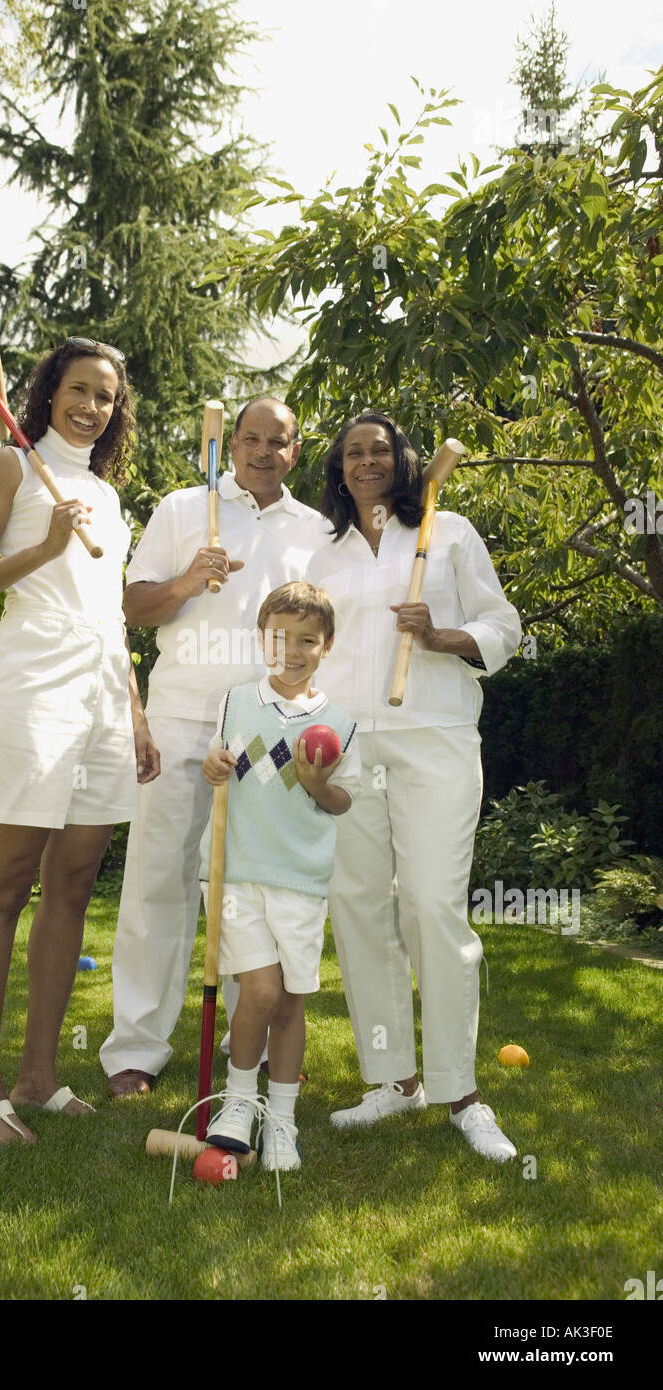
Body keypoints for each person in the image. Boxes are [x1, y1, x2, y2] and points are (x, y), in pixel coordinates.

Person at [0, 338, 160, 1145]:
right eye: (79, 390)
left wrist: (134, 715)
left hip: (103, 695)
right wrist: (40, 549)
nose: (92, 407)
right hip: (31, 688)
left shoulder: (105, 494)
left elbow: (110, 615)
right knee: (4, 884)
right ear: (48, 392)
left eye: (106, 396)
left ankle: (39, 1076)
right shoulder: (9, 465)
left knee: (72, 884)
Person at [307, 410, 523, 1161]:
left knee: (430, 904)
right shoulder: (319, 549)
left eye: (380, 450)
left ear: (404, 463)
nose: (366, 461)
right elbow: (293, 644)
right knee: (360, 907)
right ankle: (393, 1080)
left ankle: (460, 1090)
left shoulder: (450, 531)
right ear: (339, 469)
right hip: (345, 744)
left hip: (433, 739)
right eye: (352, 453)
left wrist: (442, 637)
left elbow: (505, 625)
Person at [99, 397, 331, 1097]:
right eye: (251, 439)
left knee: (251, 887)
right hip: (181, 715)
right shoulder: (180, 508)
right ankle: (135, 1049)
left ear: (296, 450)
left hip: (269, 725)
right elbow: (132, 607)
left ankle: (248, 1048)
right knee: (158, 879)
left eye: (278, 442)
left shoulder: (316, 531)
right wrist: (186, 582)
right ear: (231, 444)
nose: (263, 452)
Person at [199, 582, 360, 1170]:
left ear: (328, 646)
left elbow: (343, 802)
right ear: (261, 640)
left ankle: (282, 1120)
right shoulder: (235, 702)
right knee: (261, 991)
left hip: (302, 880)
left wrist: (318, 784)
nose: (290, 651)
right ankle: (239, 1101)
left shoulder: (340, 724)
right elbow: (216, 760)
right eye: (278, 638)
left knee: (291, 1004)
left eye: (307, 641)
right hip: (237, 872)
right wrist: (213, 762)